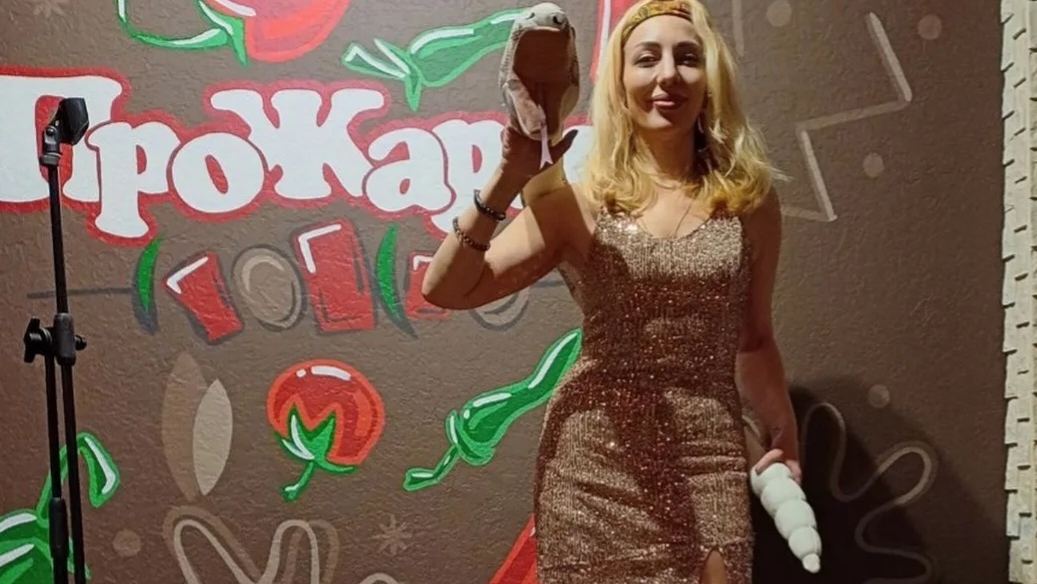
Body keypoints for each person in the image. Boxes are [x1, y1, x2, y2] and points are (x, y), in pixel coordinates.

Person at [421, 0, 800, 581]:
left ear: (711, 79)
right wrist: (510, 175)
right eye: (646, 59)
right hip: (594, 465)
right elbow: (447, 288)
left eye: (688, 58)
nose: (668, 74)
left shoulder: (750, 200)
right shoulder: (579, 203)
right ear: (619, 84)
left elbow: (754, 339)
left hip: (710, 457)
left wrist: (784, 432)